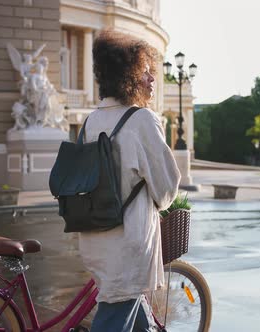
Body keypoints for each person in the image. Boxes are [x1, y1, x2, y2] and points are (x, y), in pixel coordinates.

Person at [79, 29, 181, 331]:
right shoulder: (142, 120)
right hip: (129, 243)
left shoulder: (91, 119)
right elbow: (166, 191)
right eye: (146, 72)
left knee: (137, 319)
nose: (153, 79)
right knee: (113, 320)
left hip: (94, 235)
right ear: (129, 76)